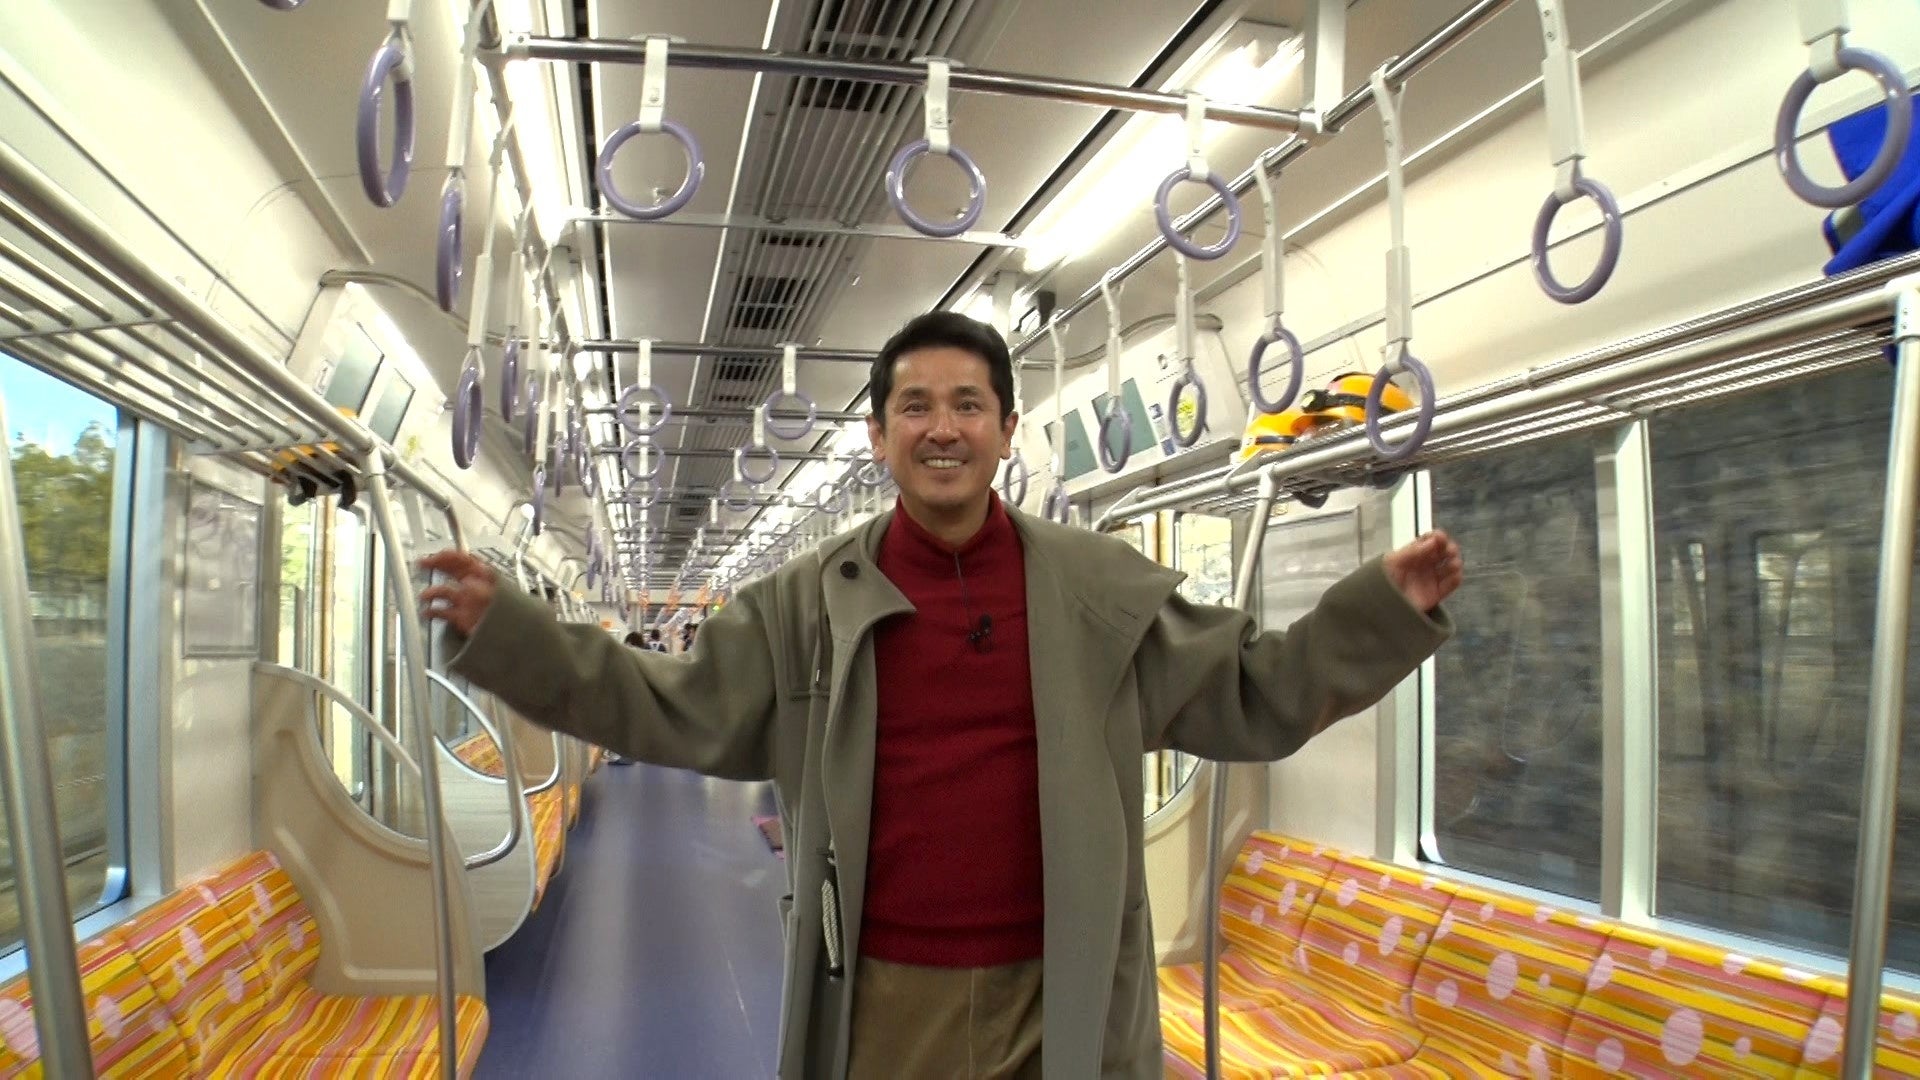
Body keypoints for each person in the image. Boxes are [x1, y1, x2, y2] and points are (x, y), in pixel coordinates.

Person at [418, 311, 1462, 1080]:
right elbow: (667, 703)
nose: (942, 427)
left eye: (968, 404)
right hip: (881, 992)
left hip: (1062, 987)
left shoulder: (1099, 594)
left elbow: (1253, 694)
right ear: (880, 438)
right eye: (914, 406)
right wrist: (514, 637)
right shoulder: (804, 607)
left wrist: (1378, 612)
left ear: (1007, 430)